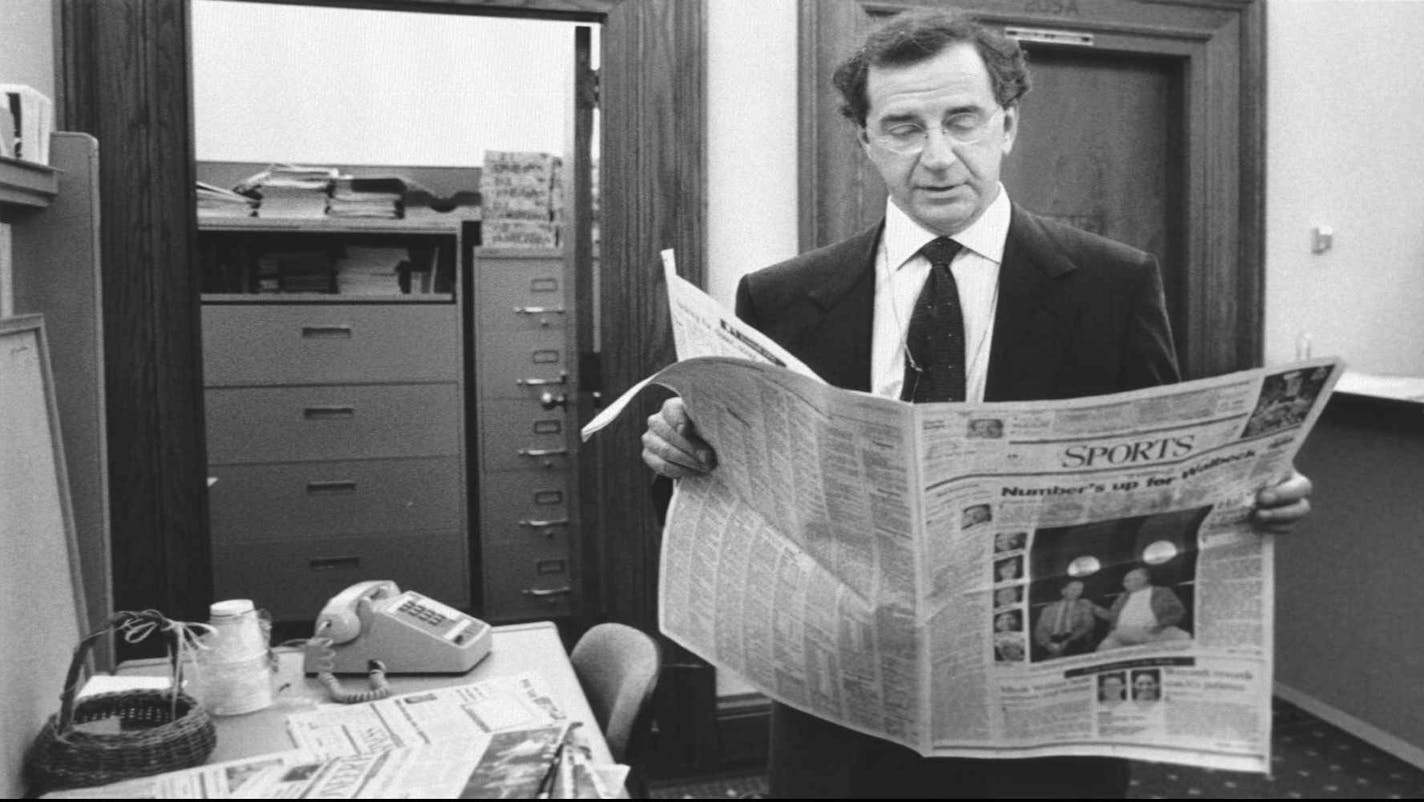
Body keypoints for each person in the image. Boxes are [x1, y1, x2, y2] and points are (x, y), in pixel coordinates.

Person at [639, 7, 1313, 798]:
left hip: (1040, 723)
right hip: (843, 712)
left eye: (963, 120)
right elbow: (715, 499)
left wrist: (1254, 494)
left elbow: (1168, 483)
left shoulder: (1113, 284)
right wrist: (676, 455)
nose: (937, 157)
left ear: (1009, 124)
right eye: (902, 127)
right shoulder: (781, 297)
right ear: (864, 140)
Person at [1095, 566, 1192, 651]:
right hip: (1124, 635)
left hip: (1157, 632)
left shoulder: (1161, 592)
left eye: (1134, 579)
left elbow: (1178, 611)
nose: (1127, 583)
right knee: (1108, 644)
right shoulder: (1121, 598)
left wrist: (1161, 625)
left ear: (1145, 579)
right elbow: (1112, 617)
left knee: (1183, 637)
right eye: (1126, 581)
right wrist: (1096, 609)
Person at [1032, 579, 1100, 659]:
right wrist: (1048, 644)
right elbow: (1040, 630)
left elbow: (1087, 626)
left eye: (1080, 590)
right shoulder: (1048, 609)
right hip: (1051, 640)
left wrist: (1068, 640)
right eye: (1073, 589)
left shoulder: (1085, 604)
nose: (1077, 592)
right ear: (1063, 591)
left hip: (1074, 639)